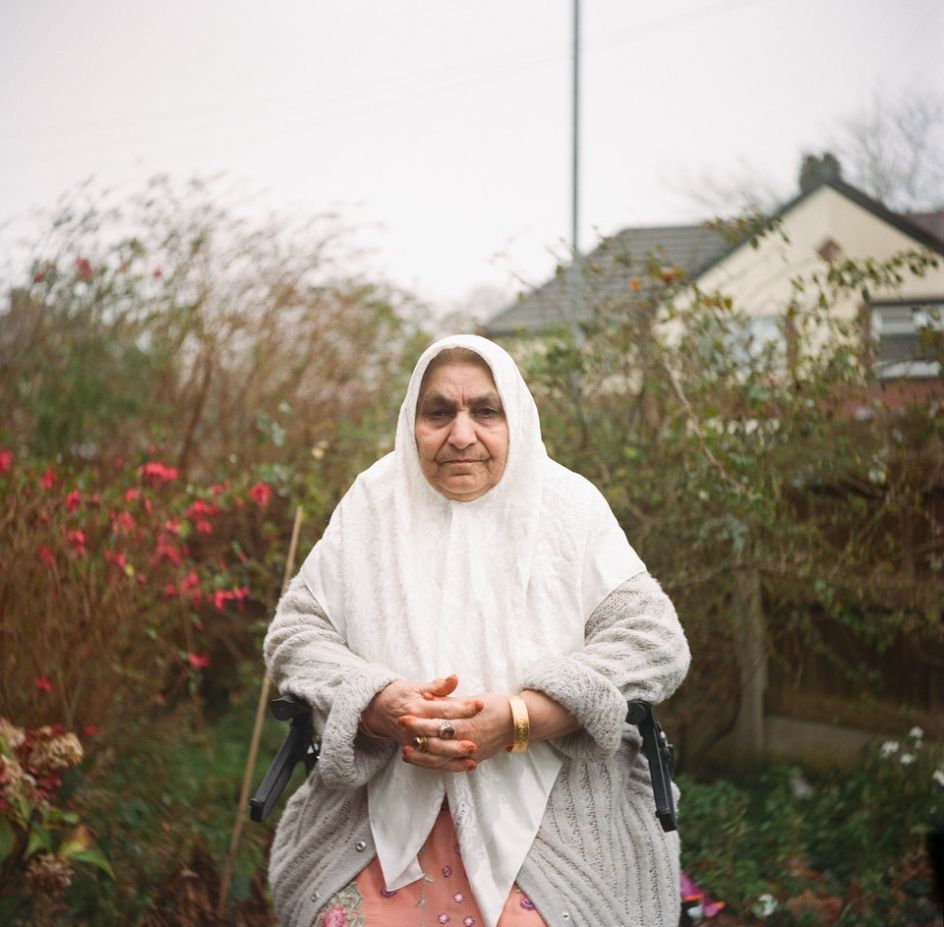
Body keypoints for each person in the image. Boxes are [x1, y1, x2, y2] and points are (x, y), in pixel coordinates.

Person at [264, 334, 691, 927]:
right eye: (438, 412)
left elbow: (653, 641)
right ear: (412, 421)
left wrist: (522, 718)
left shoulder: (568, 505)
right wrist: (376, 703)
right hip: (376, 819)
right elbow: (296, 634)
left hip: (554, 820)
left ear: (514, 417)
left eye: (484, 411)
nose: (461, 434)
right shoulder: (373, 503)